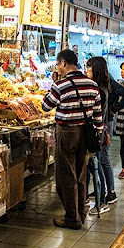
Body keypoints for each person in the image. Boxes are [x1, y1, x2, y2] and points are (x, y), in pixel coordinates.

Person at [42, 49, 103, 229]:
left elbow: (45, 106)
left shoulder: (61, 85)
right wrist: (98, 135)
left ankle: (71, 218)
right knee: (81, 174)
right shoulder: (92, 85)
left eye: (57, 64)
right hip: (85, 132)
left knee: (66, 176)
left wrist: (54, 85)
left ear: (63, 63)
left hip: (67, 133)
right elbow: (98, 115)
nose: (57, 68)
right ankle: (80, 213)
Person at [86, 57, 124, 215]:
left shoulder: (105, 87)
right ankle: (101, 193)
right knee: (96, 162)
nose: (86, 71)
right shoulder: (99, 86)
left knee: (101, 160)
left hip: (103, 127)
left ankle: (106, 196)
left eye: (89, 68)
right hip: (102, 126)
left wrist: (113, 110)